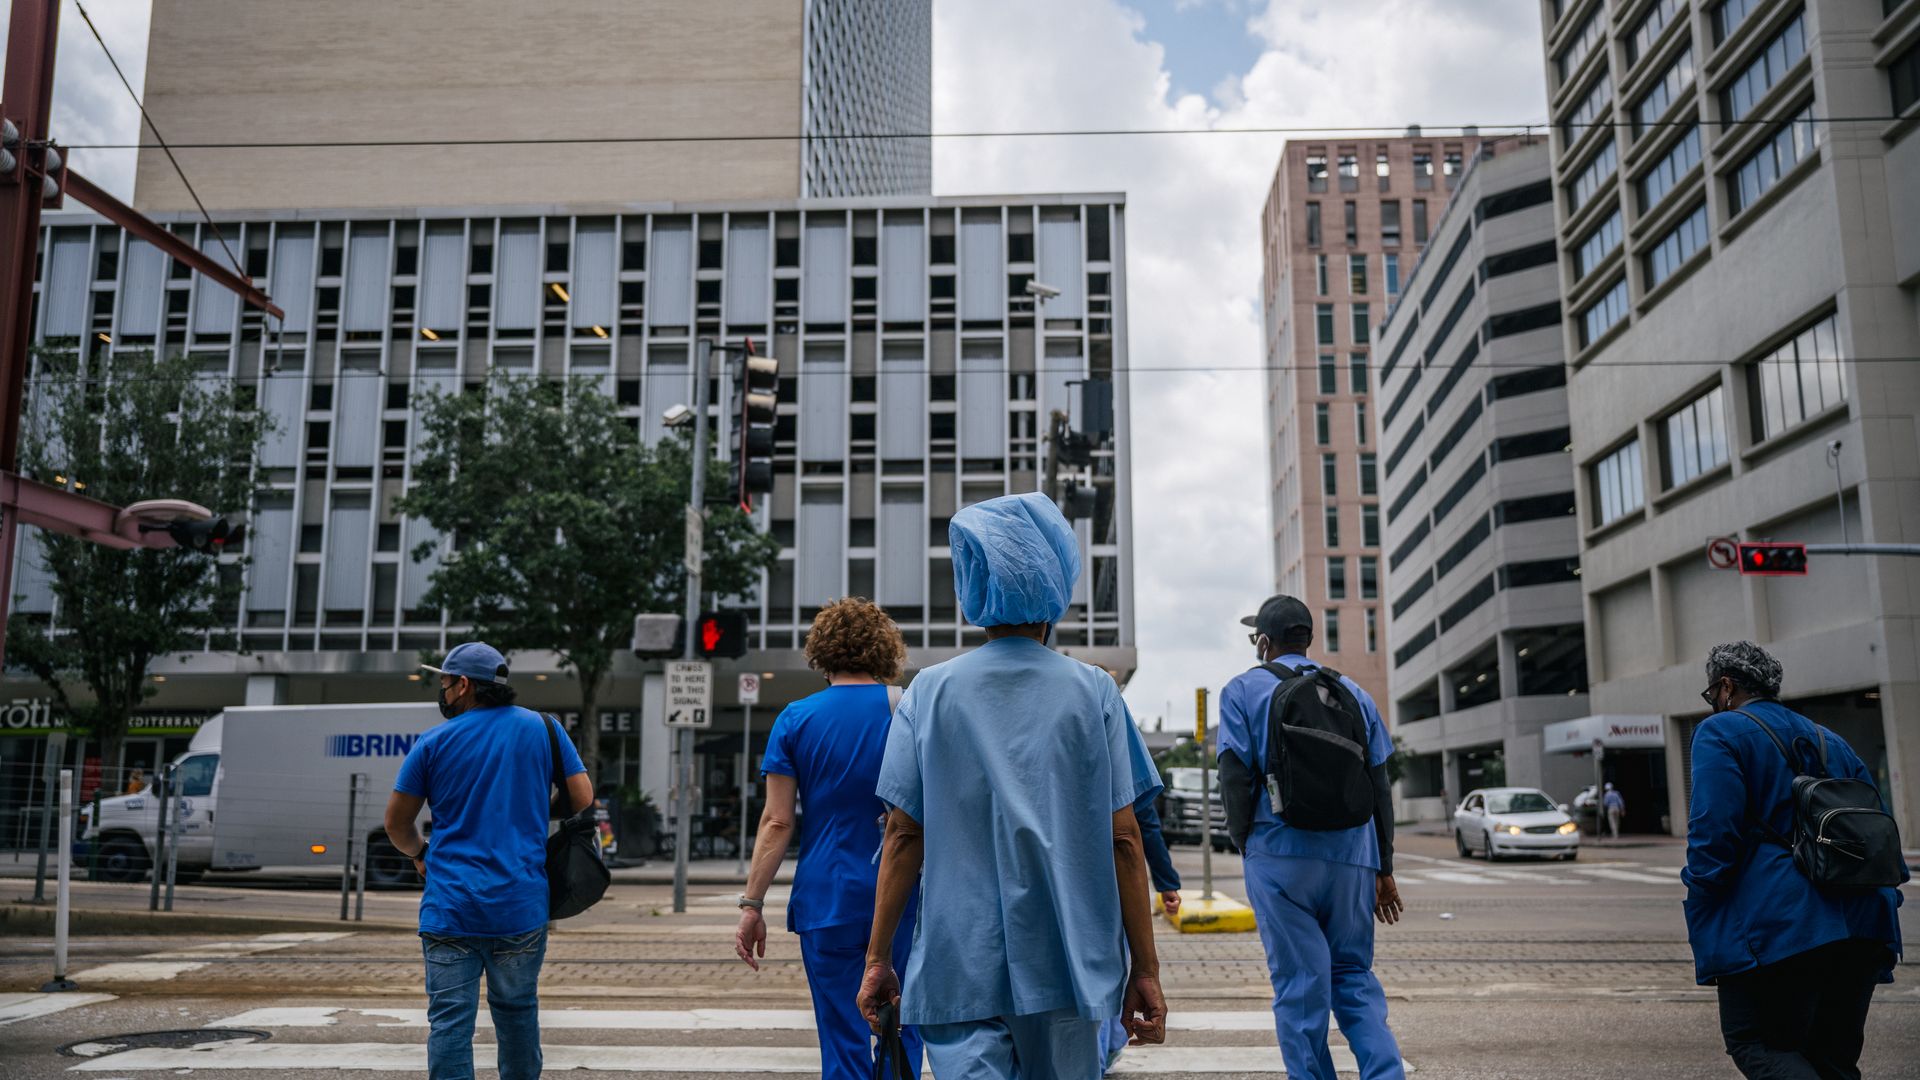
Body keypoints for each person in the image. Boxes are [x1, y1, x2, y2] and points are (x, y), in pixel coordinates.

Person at [857, 492, 1167, 1079]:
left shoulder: (929, 692)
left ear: (974, 586)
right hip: (1069, 962)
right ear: (1055, 585)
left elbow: (902, 835)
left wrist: (878, 960)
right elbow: (1125, 839)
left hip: (959, 961)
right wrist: (1145, 972)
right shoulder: (1095, 692)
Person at [1683, 641, 1904, 1079]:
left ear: (1726, 687)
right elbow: (1876, 827)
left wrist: (1701, 894)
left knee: (1757, 1043)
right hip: (1863, 921)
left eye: (1712, 695)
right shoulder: (1831, 740)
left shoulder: (1721, 731)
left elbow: (1713, 834)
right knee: (1833, 1060)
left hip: (1781, 926)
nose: (1714, 705)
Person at [384, 642, 593, 1080]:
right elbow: (581, 797)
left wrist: (421, 854)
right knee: (517, 1015)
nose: (441, 692)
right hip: (520, 907)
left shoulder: (434, 742)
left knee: (449, 1025)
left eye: (444, 683)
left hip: (450, 909)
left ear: (463, 686)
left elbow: (397, 824)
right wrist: (533, 808)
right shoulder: (545, 728)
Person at [733, 597, 923, 1080]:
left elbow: (777, 822)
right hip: (903, 891)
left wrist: (752, 904)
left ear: (821, 651)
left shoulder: (795, 719)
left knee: (841, 1034)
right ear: (884, 649)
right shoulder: (908, 709)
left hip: (827, 896)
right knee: (902, 1024)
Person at [1218, 595, 1404, 1080]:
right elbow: (1379, 786)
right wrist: (1383, 869)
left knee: (1301, 986)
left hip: (1279, 854)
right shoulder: (1353, 693)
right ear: (1308, 639)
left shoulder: (1241, 690)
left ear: (1263, 641)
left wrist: (1248, 845)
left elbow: (1235, 778)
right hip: (1353, 854)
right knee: (1352, 977)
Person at [1097, 746, 1183, 1075]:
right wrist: (1166, 882)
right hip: (1093, 893)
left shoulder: (931, 695)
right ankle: (1104, 1047)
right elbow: (1133, 828)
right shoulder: (1104, 706)